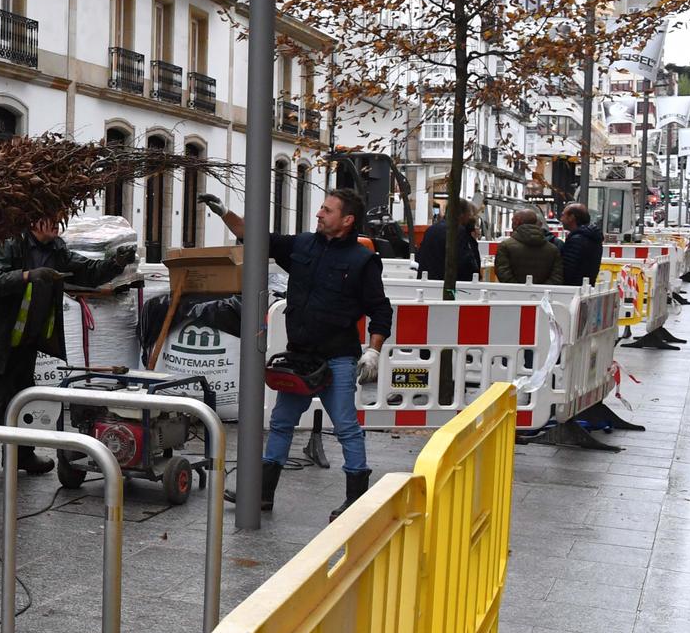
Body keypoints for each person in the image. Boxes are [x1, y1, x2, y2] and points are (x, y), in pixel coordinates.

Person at [200, 188, 393, 516]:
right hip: (300, 356)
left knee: (346, 426)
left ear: (347, 220)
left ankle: (356, 501)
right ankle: (262, 493)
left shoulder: (362, 261)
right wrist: (225, 214)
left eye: (327, 210)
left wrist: (373, 351)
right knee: (281, 422)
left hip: (337, 359)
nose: (319, 214)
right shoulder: (303, 244)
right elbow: (258, 237)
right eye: (320, 207)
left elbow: (380, 310)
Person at [0, 216, 139, 492]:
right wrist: (27, 276)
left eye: (59, 218)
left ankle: (23, 456)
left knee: (24, 400)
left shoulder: (56, 249)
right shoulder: (7, 243)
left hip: (25, 341)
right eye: (49, 218)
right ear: (33, 222)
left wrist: (116, 263)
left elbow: (88, 272)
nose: (56, 223)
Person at [416, 200, 481, 282]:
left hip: (427, 284)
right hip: (449, 287)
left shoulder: (430, 230)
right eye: (469, 214)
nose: (470, 218)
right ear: (461, 214)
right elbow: (467, 265)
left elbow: (419, 257)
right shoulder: (458, 232)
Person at [494, 209, 564, 285]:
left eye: (512, 220)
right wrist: (541, 291)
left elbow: (503, 274)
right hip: (544, 295)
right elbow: (557, 276)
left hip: (512, 294)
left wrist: (518, 290)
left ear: (517, 222)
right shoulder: (553, 249)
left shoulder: (505, 246)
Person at [558, 203, 604, 287]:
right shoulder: (592, 237)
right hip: (587, 287)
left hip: (573, 290)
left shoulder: (577, 240)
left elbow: (567, 270)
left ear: (572, 217)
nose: (561, 219)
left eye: (563, 215)